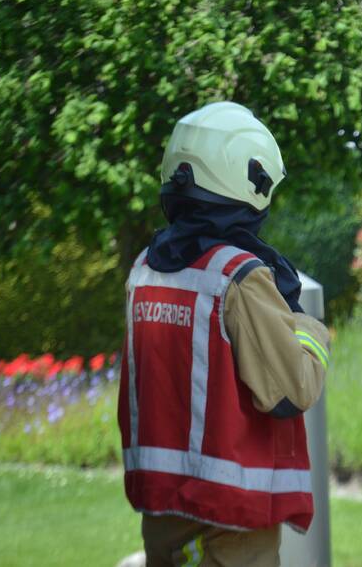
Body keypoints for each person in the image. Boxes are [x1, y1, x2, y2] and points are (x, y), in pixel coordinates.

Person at [118, 102, 331, 567]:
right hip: (228, 529)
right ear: (248, 181)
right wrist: (306, 325)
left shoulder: (146, 271)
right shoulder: (238, 277)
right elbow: (291, 391)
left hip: (164, 518)